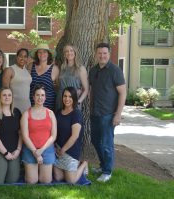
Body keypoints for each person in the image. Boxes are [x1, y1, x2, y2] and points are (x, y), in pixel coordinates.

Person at [89, 43, 126, 182]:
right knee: (95, 140)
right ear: (96, 54)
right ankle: (103, 165)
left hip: (108, 114)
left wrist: (118, 114)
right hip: (95, 113)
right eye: (100, 53)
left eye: (105, 53)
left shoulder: (115, 70)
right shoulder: (93, 71)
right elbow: (92, 91)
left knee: (106, 143)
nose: (102, 56)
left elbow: (123, 93)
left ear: (109, 54)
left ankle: (107, 172)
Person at [21, 84, 57, 184]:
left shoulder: (50, 113)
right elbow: (25, 136)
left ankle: (38, 169)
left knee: (45, 181)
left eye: (42, 95)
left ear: (45, 97)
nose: (40, 98)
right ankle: (30, 171)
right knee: (32, 181)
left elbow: (53, 135)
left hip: (46, 149)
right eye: (37, 95)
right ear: (33, 97)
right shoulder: (26, 114)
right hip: (30, 149)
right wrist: (35, 152)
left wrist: (41, 150)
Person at [0, 88, 22, 184]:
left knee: (12, 180)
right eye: (4, 95)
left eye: (9, 95)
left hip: (14, 151)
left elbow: (20, 133)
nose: (7, 97)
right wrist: (6, 153)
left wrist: (18, 150)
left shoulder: (17, 112)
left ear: (12, 98)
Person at [54, 87, 88, 184]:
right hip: (58, 149)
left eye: (70, 96)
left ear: (74, 98)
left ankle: (83, 163)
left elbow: (75, 136)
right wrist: (55, 147)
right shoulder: (58, 112)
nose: (67, 99)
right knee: (58, 177)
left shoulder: (76, 114)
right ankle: (70, 168)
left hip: (70, 150)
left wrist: (63, 150)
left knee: (71, 181)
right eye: (65, 96)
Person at [56, 44, 89, 111]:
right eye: (66, 51)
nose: (69, 53)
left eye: (71, 51)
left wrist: (79, 101)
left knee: (74, 121)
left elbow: (86, 89)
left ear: (75, 53)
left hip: (73, 101)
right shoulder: (62, 68)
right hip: (60, 100)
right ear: (64, 54)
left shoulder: (80, 68)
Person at [29, 43, 59, 111]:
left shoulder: (54, 69)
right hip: (32, 105)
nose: (42, 54)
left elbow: (57, 87)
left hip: (48, 107)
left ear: (48, 54)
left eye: (45, 52)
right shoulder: (30, 66)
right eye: (39, 52)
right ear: (37, 54)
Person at [2, 48, 32, 113]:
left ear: (27, 58)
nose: (22, 58)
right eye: (20, 56)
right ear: (16, 57)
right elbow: (4, 91)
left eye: (25, 56)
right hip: (14, 106)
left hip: (27, 105)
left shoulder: (27, 71)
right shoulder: (9, 70)